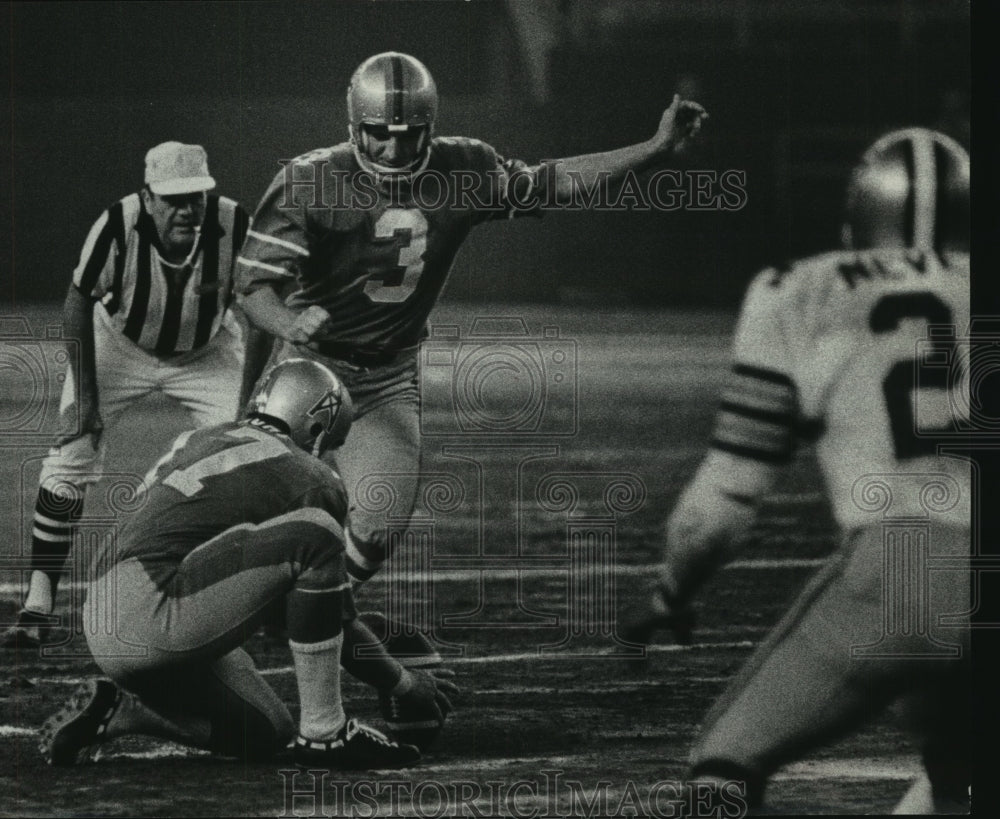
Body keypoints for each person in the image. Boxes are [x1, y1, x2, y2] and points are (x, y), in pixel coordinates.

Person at [236, 51, 709, 586]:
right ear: (353, 128)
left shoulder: (463, 168)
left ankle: (307, 608)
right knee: (253, 506)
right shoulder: (312, 179)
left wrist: (651, 149)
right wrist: (287, 323)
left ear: (430, 128)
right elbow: (253, 288)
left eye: (409, 135)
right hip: (309, 370)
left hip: (388, 381)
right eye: (379, 135)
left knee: (378, 529)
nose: (394, 150)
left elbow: (555, 184)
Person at [624, 128, 971, 813]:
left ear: (855, 217)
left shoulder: (802, 290)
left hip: (903, 570)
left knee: (724, 763)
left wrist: (672, 593)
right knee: (959, 764)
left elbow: (718, 508)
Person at [38, 358, 457, 769]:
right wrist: (403, 682)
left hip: (108, 614)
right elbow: (327, 611)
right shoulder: (311, 476)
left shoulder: (198, 438)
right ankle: (327, 732)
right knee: (317, 532)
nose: (326, 456)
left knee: (265, 731)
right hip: (154, 611)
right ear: (314, 426)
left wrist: (339, 619)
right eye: (329, 443)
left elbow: (288, 612)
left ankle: (126, 712)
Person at [4, 142, 262, 649]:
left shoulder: (235, 224)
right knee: (72, 450)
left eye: (197, 196)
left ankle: (255, 595)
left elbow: (257, 304)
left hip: (207, 351)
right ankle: (37, 605)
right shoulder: (118, 223)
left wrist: (249, 400)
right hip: (119, 344)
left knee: (250, 454)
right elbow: (78, 301)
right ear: (149, 198)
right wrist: (85, 398)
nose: (188, 209)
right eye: (174, 199)